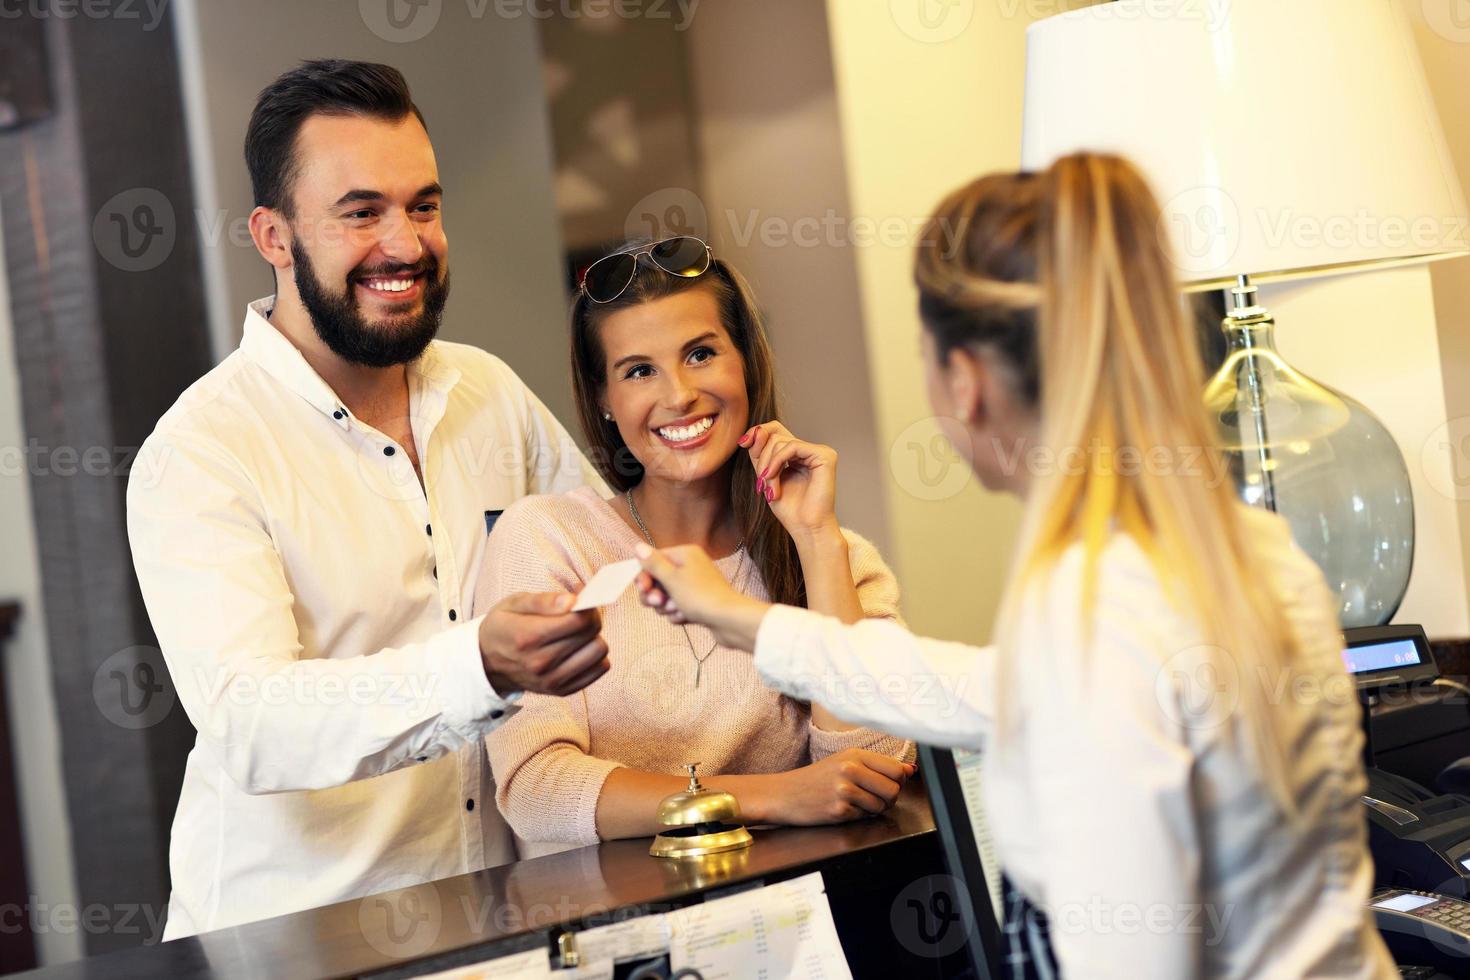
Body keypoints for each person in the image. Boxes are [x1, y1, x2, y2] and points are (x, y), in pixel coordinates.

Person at [630, 155, 1396, 976]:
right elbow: (977, 689)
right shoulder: (1245, 551)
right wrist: (738, 616)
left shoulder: (1091, 606)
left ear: (962, 381)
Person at [127, 60, 611, 938]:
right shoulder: (200, 451)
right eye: (361, 213)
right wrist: (482, 666)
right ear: (273, 236)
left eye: (422, 206)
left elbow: (611, 563)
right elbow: (252, 722)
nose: (405, 243)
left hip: (500, 922)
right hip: (294, 941)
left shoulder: (489, 393)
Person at [474, 238, 914, 856]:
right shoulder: (547, 539)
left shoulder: (838, 559)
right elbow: (537, 790)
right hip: (622, 934)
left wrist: (816, 541)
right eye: (639, 371)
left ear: (746, 366)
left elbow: (874, 770)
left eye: (701, 354)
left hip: (808, 922)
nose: (678, 395)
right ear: (604, 397)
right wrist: (773, 797)